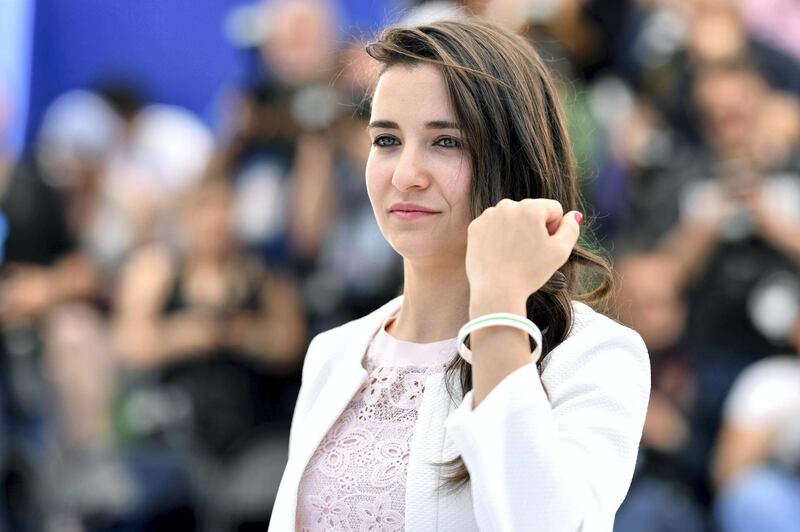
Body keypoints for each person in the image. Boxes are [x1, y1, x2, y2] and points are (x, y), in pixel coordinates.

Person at [269, 19, 650, 532]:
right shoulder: (333, 354)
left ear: (513, 157)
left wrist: (497, 306)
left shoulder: (591, 355)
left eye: (445, 142)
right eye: (386, 140)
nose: (405, 174)